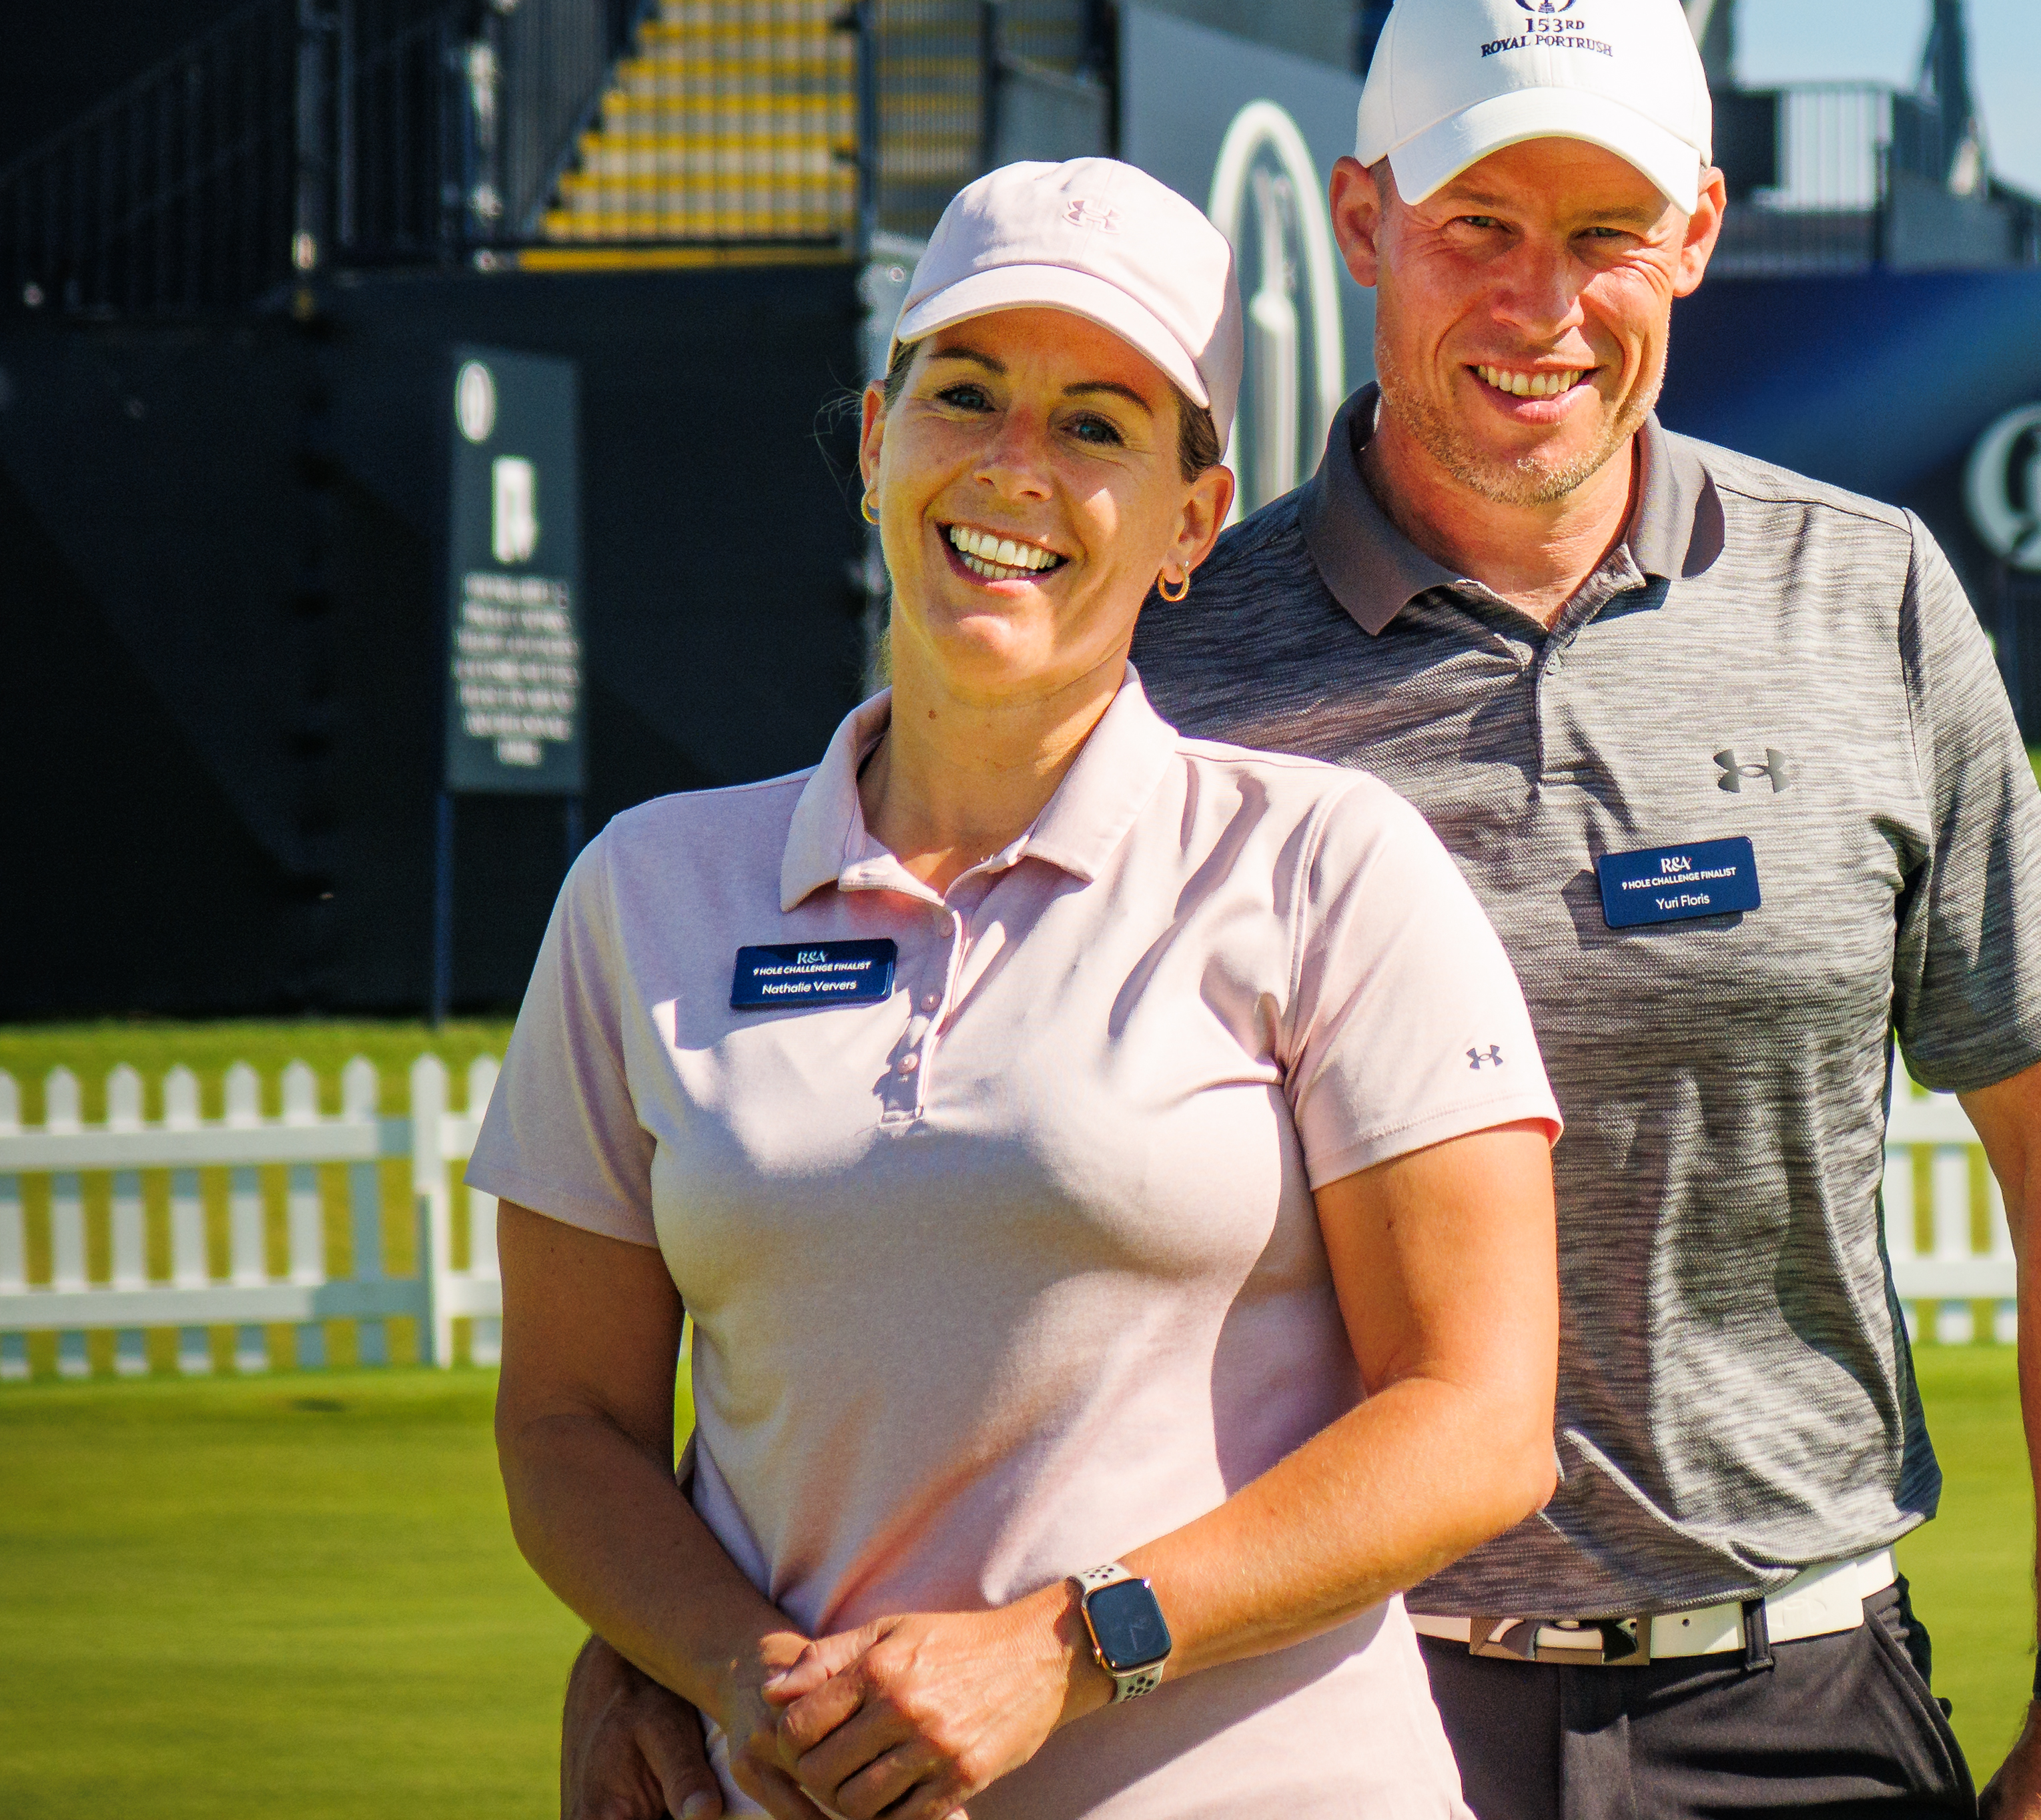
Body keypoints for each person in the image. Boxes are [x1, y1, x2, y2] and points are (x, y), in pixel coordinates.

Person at [570, 0, 2041, 1820]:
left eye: (1604, 233)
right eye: (1477, 222)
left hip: (1795, 1692)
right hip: (1300, 1709)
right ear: (1358, 219)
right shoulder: (1149, 620)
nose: (1542, 302)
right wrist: (655, 1639)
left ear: (1699, 235)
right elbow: (895, 1172)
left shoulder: (1871, 597)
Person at [480, 157, 1567, 1820]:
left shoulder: (1326, 864)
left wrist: (1065, 1645)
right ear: (873, 441)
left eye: (1096, 426)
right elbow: (566, 1428)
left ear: (1193, 521)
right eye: (966, 394)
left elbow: (1480, 1421)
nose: (1013, 466)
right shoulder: (645, 889)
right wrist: (721, 1666)